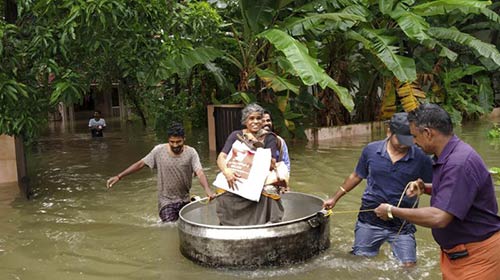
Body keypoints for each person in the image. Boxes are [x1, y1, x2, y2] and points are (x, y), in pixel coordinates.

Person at [374, 104, 500, 279]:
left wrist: (391, 210)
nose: (414, 142)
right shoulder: (450, 156)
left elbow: (439, 217)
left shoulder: (458, 163)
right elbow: (459, 191)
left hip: (477, 257)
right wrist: (425, 188)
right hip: (457, 255)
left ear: (428, 133)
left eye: (415, 136)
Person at [323, 112, 433, 267]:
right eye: (401, 139)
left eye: (410, 139)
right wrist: (334, 198)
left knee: (409, 268)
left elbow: (435, 186)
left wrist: (420, 186)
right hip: (370, 219)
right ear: (389, 132)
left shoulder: (421, 157)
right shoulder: (371, 150)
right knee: (360, 263)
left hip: (402, 224)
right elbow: (356, 175)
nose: (405, 144)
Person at [106, 122, 215, 222]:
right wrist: (119, 176)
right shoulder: (159, 151)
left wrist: (207, 189)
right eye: (172, 142)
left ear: (184, 139)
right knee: (170, 227)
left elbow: (199, 172)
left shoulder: (191, 153)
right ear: (168, 140)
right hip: (166, 201)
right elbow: (140, 164)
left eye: (178, 142)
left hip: (184, 199)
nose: (175, 145)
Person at [215, 103, 284, 226]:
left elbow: (272, 164)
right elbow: (222, 157)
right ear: (245, 121)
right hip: (238, 173)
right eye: (251, 118)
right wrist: (226, 171)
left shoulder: (269, 138)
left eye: (258, 118)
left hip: (259, 177)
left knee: (270, 190)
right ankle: (228, 224)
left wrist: (256, 143)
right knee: (222, 189)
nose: (255, 122)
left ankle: (270, 223)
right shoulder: (236, 135)